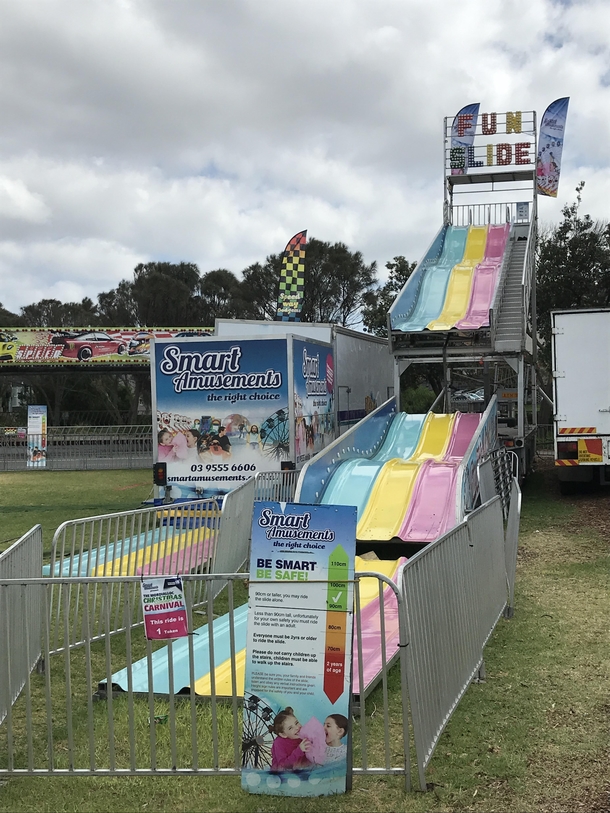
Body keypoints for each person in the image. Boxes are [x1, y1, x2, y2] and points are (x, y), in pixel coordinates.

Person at [270, 707, 312, 771]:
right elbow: (283, 766)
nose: (297, 728)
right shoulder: (279, 743)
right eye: (290, 728)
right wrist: (299, 750)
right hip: (281, 776)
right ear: (283, 734)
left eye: (296, 723)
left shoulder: (302, 735)